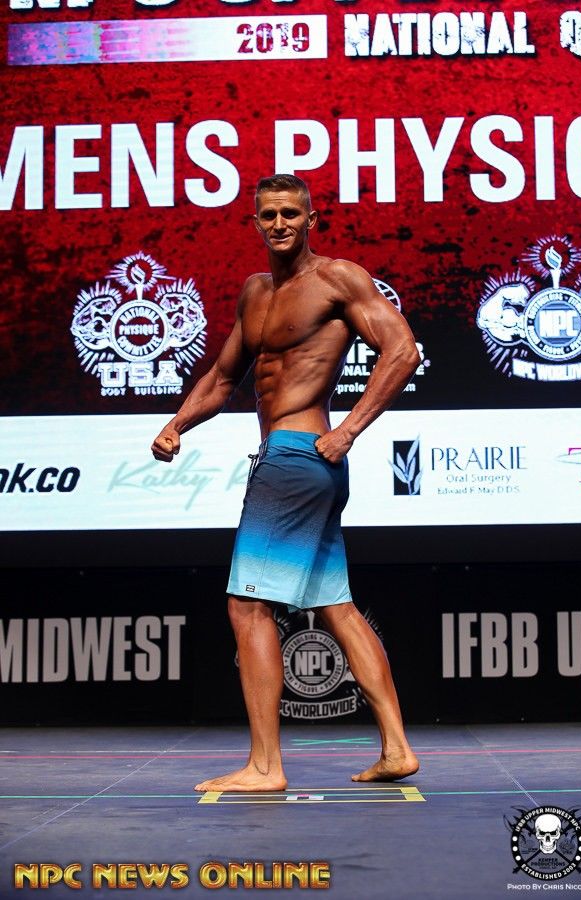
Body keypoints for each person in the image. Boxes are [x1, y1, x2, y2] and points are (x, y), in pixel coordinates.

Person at [151, 174, 421, 793]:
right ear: (255, 222)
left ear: (311, 219)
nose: (279, 224)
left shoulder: (337, 278)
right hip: (295, 460)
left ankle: (265, 766)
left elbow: (402, 350)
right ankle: (397, 749)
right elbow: (224, 379)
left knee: (248, 606)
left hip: (298, 457)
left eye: (290, 214)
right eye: (268, 215)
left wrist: (348, 429)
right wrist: (176, 424)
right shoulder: (255, 292)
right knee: (336, 606)